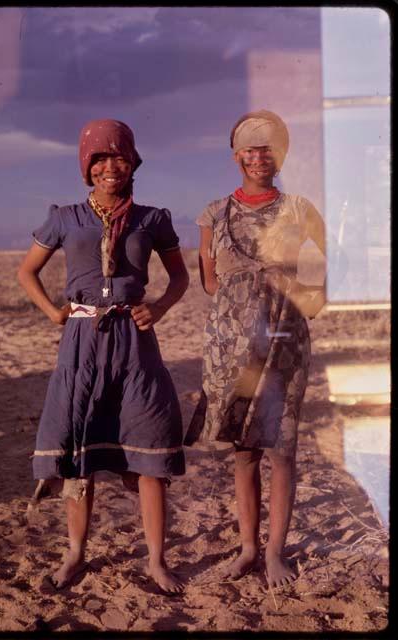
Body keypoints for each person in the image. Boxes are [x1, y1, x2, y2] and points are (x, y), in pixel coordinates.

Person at [18, 119, 189, 594]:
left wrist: (157, 308)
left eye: (118, 157)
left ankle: (156, 560)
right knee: (80, 451)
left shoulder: (152, 219)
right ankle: (75, 554)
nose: (109, 167)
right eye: (98, 159)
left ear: (133, 162)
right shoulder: (65, 217)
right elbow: (27, 271)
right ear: (86, 167)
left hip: (135, 345)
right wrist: (53, 310)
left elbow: (179, 279)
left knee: (150, 452)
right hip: (81, 344)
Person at [184, 110, 327, 589]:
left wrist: (305, 296)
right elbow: (208, 279)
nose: (259, 156)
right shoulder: (212, 213)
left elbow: (329, 263)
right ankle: (248, 548)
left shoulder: (300, 209)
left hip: (284, 346)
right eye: (250, 147)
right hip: (229, 349)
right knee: (243, 451)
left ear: (279, 154)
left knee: (281, 451)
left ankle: (274, 553)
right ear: (236, 156)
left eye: (269, 147)